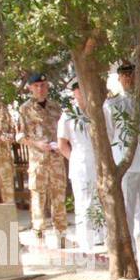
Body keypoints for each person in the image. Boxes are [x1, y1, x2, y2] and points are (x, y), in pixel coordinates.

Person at [103, 63, 140, 266]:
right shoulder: (112, 105)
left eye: (131, 74)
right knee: (127, 211)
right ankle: (130, 256)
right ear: (119, 78)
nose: (128, 78)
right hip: (126, 165)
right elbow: (110, 135)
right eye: (124, 75)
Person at [16, 72, 68, 244]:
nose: (40, 89)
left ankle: (61, 233)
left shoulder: (55, 107)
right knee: (38, 196)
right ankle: (39, 233)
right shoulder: (25, 109)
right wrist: (37, 144)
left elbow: (64, 131)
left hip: (56, 159)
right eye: (36, 86)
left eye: (43, 85)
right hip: (38, 160)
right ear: (30, 88)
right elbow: (20, 136)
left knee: (59, 195)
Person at [57, 80, 100, 251]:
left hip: (97, 160)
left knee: (98, 200)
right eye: (79, 90)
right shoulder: (68, 115)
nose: (82, 93)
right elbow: (62, 144)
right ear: (74, 93)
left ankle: (99, 236)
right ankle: (86, 240)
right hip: (80, 162)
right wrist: (75, 160)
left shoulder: (95, 111)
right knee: (84, 203)